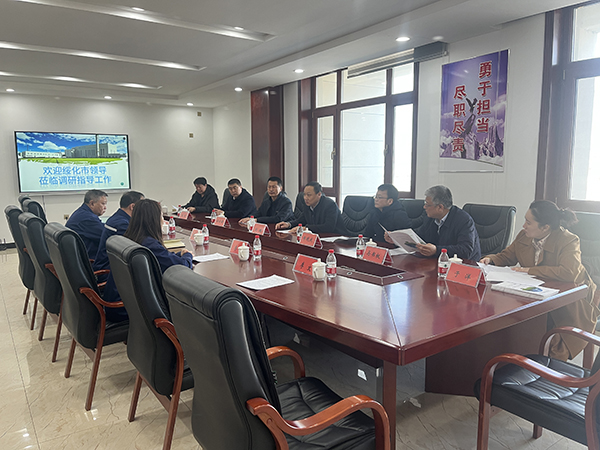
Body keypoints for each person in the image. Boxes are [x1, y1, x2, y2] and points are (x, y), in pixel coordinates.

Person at [481, 200, 598, 360]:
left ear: (545, 227)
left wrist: (530, 270)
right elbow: (507, 256)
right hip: (535, 293)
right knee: (510, 322)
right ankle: (517, 356)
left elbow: (570, 272)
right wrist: (491, 259)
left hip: (572, 301)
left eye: (529, 222)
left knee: (551, 339)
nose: (523, 226)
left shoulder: (568, 240)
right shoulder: (524, 236)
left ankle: (541, 363)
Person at [102, 199, 194, 323]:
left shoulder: (131, 237)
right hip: (127, 309)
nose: (163, 221)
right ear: (153, 220)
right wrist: (188, 256)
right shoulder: (149, 244)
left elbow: (159, 259)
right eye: (161, 216)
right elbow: (181, 267)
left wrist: (177, 255)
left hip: (119, 302)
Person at [389, 185, 481, 261]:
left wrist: (437, 250)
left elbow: (465, 250)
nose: (424, 207)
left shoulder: (463, 220)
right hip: (437, 261)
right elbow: (419, 237)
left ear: (440, 207)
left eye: (427, 204)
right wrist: (397, 238)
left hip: (465, 265)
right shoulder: (430, 218)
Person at [93, 190, 144, 281]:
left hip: (109, 267)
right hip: (109, 272)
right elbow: (137, 246)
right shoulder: (122, 224)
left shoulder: (118, 218)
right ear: (132, 207)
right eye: (142, 206)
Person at [275, 181, 342, 234]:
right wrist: (288, 224)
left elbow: (329, 227)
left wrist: (306, 228)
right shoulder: (307, 205)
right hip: (318, 237)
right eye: (304, 194)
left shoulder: (330, 205)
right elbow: (301, 220)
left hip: (336, 238)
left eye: (309, 195)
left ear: (319, 194)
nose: (305, 198)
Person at [66, 189, 108, 259]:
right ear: (92, 203)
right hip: (90, 260)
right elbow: (106, 236)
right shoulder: (87, 218)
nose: (105, 207)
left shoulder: (82, 213)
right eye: (103, 204)